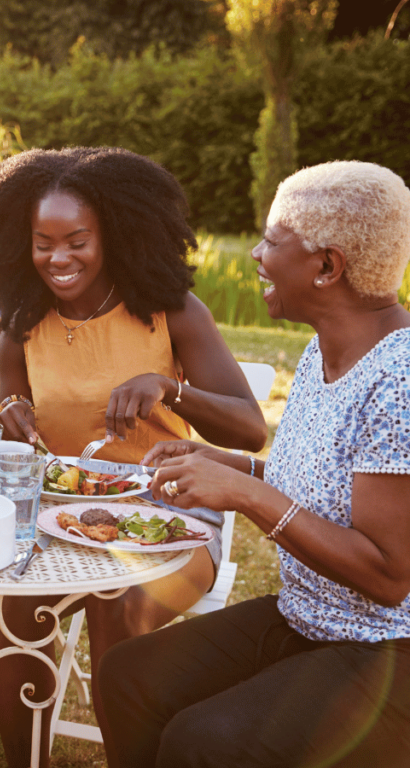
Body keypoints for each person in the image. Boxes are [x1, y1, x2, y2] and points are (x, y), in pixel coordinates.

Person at [97, 160, 410, 768]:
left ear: (327, 267)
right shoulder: (328, 347)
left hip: (386, 649)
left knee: (204, 741)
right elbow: (322, 490)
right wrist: (227, 464)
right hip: (308, 619)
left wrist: (244, 495)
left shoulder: (400, 381)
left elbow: (387, 574)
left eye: (272, 240)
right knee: (130, 676)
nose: (257, 255)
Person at [0, 146, 268, 766]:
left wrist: (169, 387)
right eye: (42, 243)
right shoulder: (23, 321)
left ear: (114, 234)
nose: (58, 258)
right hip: (64, 517)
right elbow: (9, 390)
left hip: (169, 515)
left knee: (115, 607)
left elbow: (250, 428)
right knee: (15, 619)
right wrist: (9, 408)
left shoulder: (170, 311)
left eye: (76, 241)